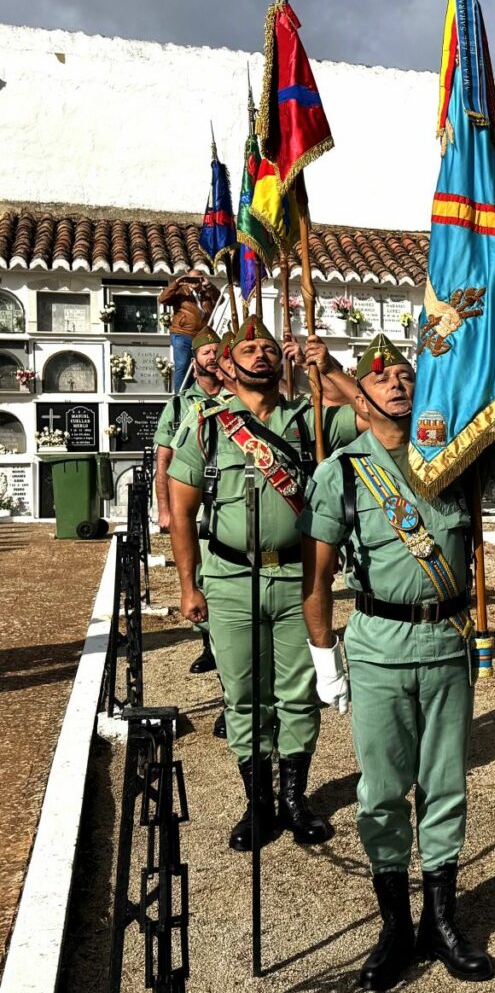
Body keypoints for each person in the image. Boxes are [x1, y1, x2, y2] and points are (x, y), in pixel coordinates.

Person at [301, 333, 495, 990]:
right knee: (383, 791)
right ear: (359, 399)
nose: (396, 382)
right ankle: (395, 925)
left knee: (444, 786)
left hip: (445, 641)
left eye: (408, 375)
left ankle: (441, 920)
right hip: (379, 646)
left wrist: (488, 390)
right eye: (380, 377)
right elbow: (318, 574)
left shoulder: (453, 457)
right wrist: (322, 656)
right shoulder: (342, 471)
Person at [166, 316, 360, 852]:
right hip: (229, 578)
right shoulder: (206, 425)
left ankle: (295, 797)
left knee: (298, 693)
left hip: (299, 577)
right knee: (245, 693)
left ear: (283, 360)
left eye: (269, 348)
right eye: (248, 348)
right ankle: (259, 801)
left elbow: (370, 417)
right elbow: (182, 511)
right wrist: (189, 585)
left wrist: (332, 367)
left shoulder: (311, 417)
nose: (260, 355)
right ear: (229, 363)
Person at [154, 327, 224, 674]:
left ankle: (221, 642)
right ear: (194, 361)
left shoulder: (238, 397)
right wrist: (165, 508)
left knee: (221, 575)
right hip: (190, 503)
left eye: (217, 350)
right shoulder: (180, 405)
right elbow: (164, 460)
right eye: (205, 351)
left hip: (224, 502)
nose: (212, 355)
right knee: (195, 574)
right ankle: (207, 644)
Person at [158, 271, 220, 391]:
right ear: (187, 280)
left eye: (197, 279)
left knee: (198, 366)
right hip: (182, 333)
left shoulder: (206, 293)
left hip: (201, 335)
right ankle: (180, 396)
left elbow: (220, 300)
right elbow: (162, 299)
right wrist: (176, 283)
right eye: (191, 279)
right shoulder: (180, 292)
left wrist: (209, 286)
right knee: (182, 364)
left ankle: (193, 393)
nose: (194, 282)